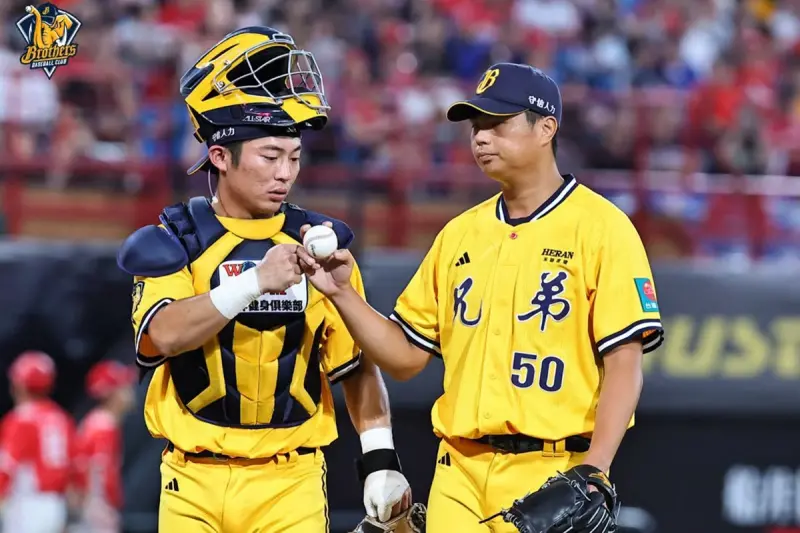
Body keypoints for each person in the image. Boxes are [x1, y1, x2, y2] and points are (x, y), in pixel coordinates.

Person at [296, 62, 665, 532]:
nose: (481, 138)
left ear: (546, 128)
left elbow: (625, 364)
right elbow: (407, 357)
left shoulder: (603, 228)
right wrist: (343, 294)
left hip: (551, 472)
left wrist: (593, 472)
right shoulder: (460, 234)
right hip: (458, 474)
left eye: (497, 124)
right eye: (476, 127)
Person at [116, 26, 411, 532]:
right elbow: (160, 335)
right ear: (220, 157)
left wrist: (380, 458)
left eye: (294, 157)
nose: (285, 173)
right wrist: (254, 281)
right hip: (191, 478)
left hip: (290, 481)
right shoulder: (176, 240)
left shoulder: (321, 244)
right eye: (270, 156)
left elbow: (354, 366)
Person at [0, 351, 75, 533]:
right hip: (56, 504)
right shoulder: (61, 418)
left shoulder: (21, 418)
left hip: (27, 505)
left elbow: (7, 466)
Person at [72, 360, 137, 533]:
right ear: (111, 393)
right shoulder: (103, 425)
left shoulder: (96, 421)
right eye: (124, 387)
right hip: (97, 505)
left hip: (90, 504)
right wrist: (111, 505)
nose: (130, 392)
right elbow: (101, 472)